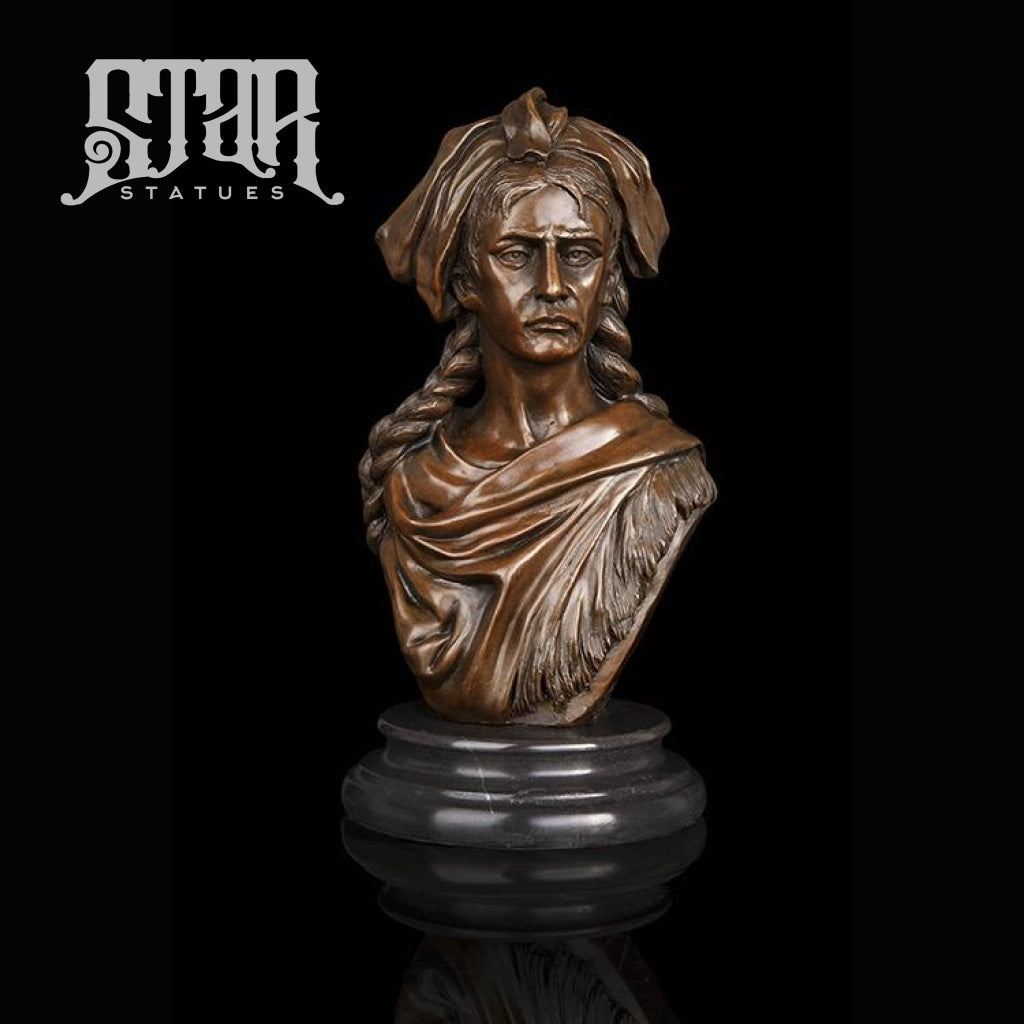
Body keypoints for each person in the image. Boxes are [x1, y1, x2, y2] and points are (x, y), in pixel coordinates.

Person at [359, 88, 716, 725]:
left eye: (578, 254)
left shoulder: (659, 475)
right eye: (516, 254)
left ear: (608, 277)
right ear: (466, 280)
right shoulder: (413, 484)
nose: (552, 286)